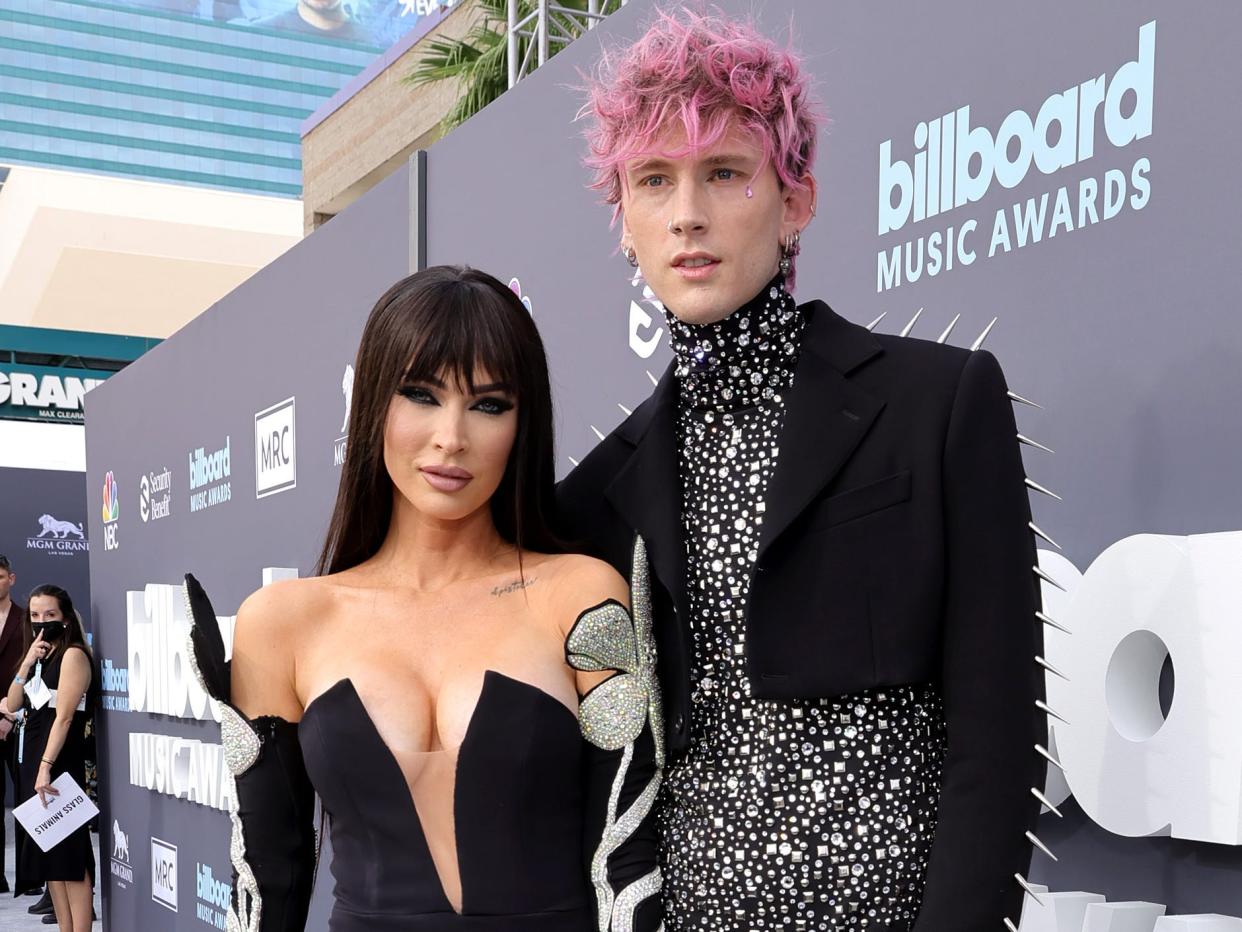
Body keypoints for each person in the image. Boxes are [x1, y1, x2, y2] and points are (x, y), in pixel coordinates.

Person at [558, 8, 1048, 931]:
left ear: (797, 200)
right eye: (654, 181)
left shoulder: (938, 402)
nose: (688, 213)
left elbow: (1001, 736)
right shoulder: (595, 494)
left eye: (725, 173)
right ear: (623, 221)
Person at [185, 266, 664, 931]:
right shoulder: (285, 621)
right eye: (421, 395)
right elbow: (267, 879)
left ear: (523, 424)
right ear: (374, 402)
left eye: (490, 404)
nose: (452, 437)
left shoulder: (578, 595)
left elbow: (627, 861)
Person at [4, 585, 96, 932]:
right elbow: (13, 704)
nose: (42, 622)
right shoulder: (41, 656)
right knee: (53, 863)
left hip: (58, 766)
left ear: (66, 616)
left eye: (50, 615)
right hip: (33, 765)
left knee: (71, 860)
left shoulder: (72, 655)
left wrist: (45, 767)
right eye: (35, 616)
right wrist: (26, 662)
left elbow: (65, 718)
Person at [0, 556, 26, 894]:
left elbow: (31, 670)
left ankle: (29, 876)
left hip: (20, 722)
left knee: (26, 800)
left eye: (0, 576)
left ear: (11, 579)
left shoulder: (26, 620)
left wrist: (8, 716)